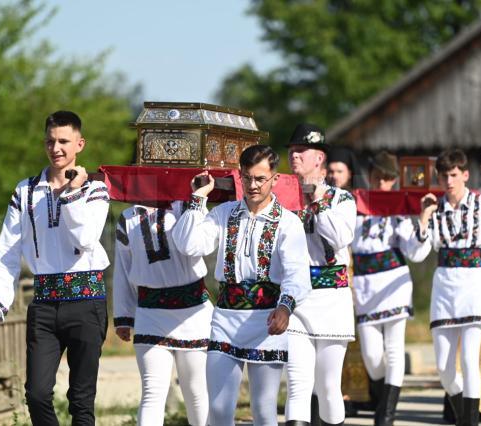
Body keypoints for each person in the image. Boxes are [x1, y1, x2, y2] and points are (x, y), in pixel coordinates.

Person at [0, 111, 110, 425]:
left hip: (86, 300)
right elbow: (7, 251)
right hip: (44, 304)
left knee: (81, 401)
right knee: (36, 393)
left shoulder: (95, 188)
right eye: (51, 141)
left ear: (80, 143)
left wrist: (73, 193)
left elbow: (86, 238)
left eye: (64, 141)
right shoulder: (25, 192)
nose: (57, 148)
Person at [173, 144, 311, 426]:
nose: (253, 185)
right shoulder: (223, 214)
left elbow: (298, 274)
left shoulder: (288, 222)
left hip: (267, 320)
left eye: (260, 178)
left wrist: (285, 308)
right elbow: (188, 244)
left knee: (263, 410)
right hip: (225, 317)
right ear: (239, 176)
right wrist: (198, 199)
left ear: (275, 178)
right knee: (220, 409)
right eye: (247, 177)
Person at [407, 148, 481, 426]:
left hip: (475, 285)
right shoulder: (434, 210)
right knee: (445, 369)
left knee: (470, 360)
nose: (449, 180)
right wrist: (423, 218)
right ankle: (464, 416)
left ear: (465, 175)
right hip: (444, 288)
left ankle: (470, 422)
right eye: (444, 175)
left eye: (454, 175)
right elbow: (416, 254)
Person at [112, 200, 213, 426]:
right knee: (153, 391)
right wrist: (123, 316)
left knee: (196, 390)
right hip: (151, 310)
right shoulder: (128, 217)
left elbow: (202, 246)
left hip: (193, 311)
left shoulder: (187, 207)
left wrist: (197, 201)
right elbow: (123, 267)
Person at [284, 124, 357, 426]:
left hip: (332, 299)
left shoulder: (343, 200)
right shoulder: (283, 199)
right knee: (298, 386)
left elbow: (341, 237)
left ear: (319, 158)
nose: (294, 157)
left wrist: (317, 201)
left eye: (301, 151)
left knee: (328, 388)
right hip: (296, 300)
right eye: (291, 152)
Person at [351, 151, 415, 425]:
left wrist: (411, 221)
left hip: (394, 282)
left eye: (388, 180)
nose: (382, 184)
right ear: (371, 177)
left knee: (394, 348)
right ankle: (380, 398)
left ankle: (386, 413)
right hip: (365, 285)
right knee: (371, 354)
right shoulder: (356, 204)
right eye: (378, 178)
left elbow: (413, 249)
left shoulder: (399, 208)